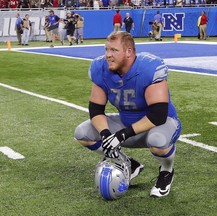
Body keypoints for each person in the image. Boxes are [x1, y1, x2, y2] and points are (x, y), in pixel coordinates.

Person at [74, 31, 182, 198]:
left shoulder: (148, 68)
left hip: (160, 124)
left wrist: (122, 135)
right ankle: (128, 164)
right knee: (82, 133)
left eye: (114, 50)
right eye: (106, 50)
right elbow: (95, 110)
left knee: (157, 141)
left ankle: (167, 171)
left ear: (129, 52)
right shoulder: (100, 68)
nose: (108, 55)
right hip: (126, 122)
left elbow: (158, 115)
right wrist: (106, 135)